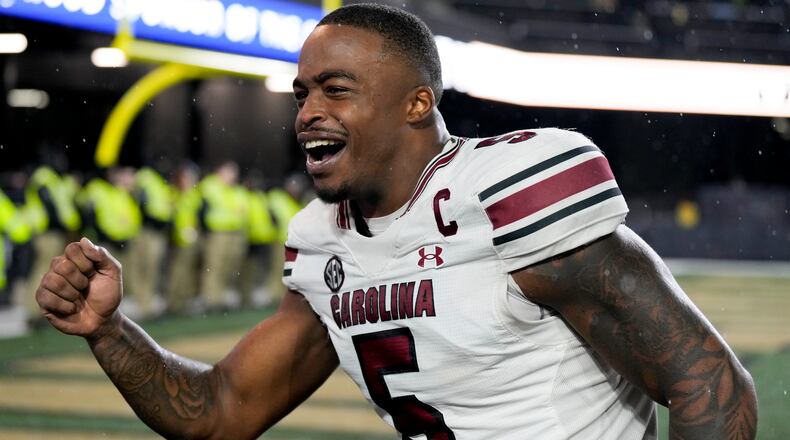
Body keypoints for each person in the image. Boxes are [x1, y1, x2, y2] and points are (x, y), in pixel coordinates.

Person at [35, 4, 757, 439]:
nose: (308, 112)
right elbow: (220, 413)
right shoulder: (320, 244)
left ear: (417, 104)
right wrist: (109, 330)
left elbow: (707, 386)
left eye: (335, 90)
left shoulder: (508, 191)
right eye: (301, 94)